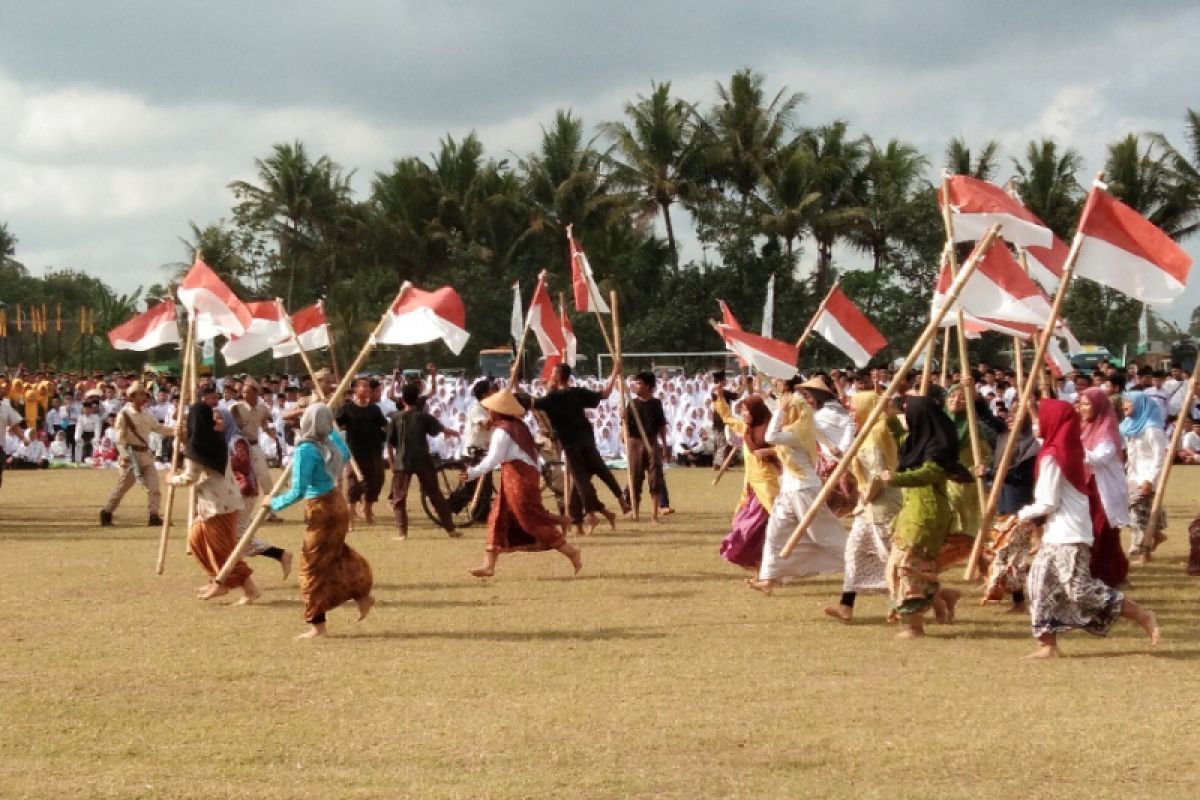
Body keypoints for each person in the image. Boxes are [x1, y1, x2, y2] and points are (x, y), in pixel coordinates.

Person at [1017, 399, 1160, 658]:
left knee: (1079, 590)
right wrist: (1031, 410)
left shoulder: (1054, 456)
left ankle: (1140, 614)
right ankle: (1047, 644)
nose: (1038, 424)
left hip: (1068, 534)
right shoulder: (1064, 448)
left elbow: (1048, 501)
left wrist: (1021, 515)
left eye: (1043, 419)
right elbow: (1042, 435)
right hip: (1058, 532)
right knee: (1039, 584)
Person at [268, 403, 374, 639]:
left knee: (311, 568)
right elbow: (345, 452)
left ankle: (317, 624)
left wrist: (272, 504)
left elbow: (298, 490)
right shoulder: (332, 441)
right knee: (337, 554)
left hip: (323, 510)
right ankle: (362, 594)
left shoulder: (306, 449)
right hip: (338, 504)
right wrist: (332, 427)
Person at [462, 389, 582, 577]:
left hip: (518, 479)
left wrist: (471, 473)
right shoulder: (517, 425)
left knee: (530, 520)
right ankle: (489, 564)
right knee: (497, 517)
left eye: (490, 410)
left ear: (497, 412)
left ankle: (571, 551)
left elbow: (493, 459)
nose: (488, 414)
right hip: (518, 476)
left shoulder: (503, 431)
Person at [878, 396, 970, 639]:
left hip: (926, 517)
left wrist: (895, 479)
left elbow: (929, 472)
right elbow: (901, 439)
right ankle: (942, 598)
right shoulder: (918, 443)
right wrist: (887, 414)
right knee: (905, 567)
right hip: (911, 514)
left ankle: (914, 626)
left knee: (908, 568)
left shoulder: (937, 448)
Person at [748, 391, 846, 595]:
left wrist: (781, 411)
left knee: (823, 535)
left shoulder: (799, 432)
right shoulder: (798, 429)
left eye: (789, 409)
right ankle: (768, 578)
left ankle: (864, 564)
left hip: (805, 489)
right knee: (775, 533)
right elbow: (783, 438)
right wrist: (771, 398)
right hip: (788, 490)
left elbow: (771, 436)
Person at [169, 392, 261, 604]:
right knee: (196, 539)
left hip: (218, 505)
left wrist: (171, 479)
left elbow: (189, 477)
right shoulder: (214, 438)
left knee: (223, 548)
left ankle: (248, 588)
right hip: (223, 501)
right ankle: (217, 579)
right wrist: (182, 437)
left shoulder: (198, 447)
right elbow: (197, 443)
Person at [825, 390, 901, 623]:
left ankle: (934, 598)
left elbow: (878, 476)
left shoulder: (874, 437)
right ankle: (846, 605)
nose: (851, 412)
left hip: (882, 506)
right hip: (866, 507)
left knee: (893, 559)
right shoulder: (867, 433)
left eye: (854, 407)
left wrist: (867, 497)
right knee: (854, 552)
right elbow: (864, 471)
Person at [533, 362, 628, 535]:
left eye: (553, 373)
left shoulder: (552, 398)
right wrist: (614, 372)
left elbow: (531, 403)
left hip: (571, 445)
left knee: (581, 481)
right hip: (587, 440)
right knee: (601, 470)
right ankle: (620, 498)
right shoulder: (577, 392)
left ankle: (590, 515)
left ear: (557, 376)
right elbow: (605, 394)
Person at [978, 414, 1039, 611]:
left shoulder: (1031, 445)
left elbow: (1017, 474)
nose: (1011, 418)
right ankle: (1019, 598)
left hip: (1020, 506)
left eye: (1017, 415)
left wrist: (988, 472)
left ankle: (1021, 599)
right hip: (1003, 503)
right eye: (1009, 415)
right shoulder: (1004, 436)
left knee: (1010, 554)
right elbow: (985, 417)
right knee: (1005, 553)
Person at [712, 392, 779, 572]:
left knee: (761, 530)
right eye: (743, 411)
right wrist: (719, 399)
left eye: (747, 411)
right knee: (743, 526)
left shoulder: (771, 432)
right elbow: (727, 417)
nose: (744, 414)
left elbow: (786, 451)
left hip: (768, 488)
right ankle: (760, 566)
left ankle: (769, 569)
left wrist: (770, 452)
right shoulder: (744, 429)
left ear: (756, 412)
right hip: (750, 489)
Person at [385, 382, 460, 539]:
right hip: (423, 460)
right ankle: (450, 529)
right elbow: (440, 430)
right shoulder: (424, 417)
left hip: (403, 460)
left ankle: (402, 533)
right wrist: (452, 432)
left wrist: (392, 463)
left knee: (399, 498)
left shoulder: (396, 418)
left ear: (403, 400)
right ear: (417, 398)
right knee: (435, 494)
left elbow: (390, 443)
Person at [99, 383, 176, 527]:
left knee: (154, 487)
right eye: (140, 394)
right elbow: (119, 438)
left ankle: (154, 515)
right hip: (131, 455)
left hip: (145, 454)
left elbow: (158, 428)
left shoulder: (147, 414)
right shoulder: (124, 414)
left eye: (145, 395)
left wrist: (175, 431)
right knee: (123, 487)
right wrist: (123, 455)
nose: (144, 398)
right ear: (132, 397)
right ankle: (106, 512)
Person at [229, 436, 293, 579]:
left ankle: (279, 554)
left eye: (220, 417)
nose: (217, 421)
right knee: (233, 536)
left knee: (240, 537)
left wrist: (224, 461)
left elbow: (243, 464)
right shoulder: (222, 438)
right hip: (231, 495)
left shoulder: (236, 441)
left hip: (243, 494)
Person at [1121, 391, 1168, 563]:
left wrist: (1150, 479)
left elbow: (1160, 457)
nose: (1124, 405)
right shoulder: (1129, 425)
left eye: (1129, 402)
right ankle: (1156, 536)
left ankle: (1140, 550)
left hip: (1147, 477)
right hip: (1132, 476)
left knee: (1138, 513)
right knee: (1138, 512)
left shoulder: (1152, 429)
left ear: (1140, 404)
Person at [336, 378, 389, 525]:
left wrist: (394, 435)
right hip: (355, 453)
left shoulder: (374, 409)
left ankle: (367, 510)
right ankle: (351, 518)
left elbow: (385, 426)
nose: (367, 389)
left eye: (368, 387)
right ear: (355, 390)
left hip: (374, 451)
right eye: (363, 386)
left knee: (374, 483)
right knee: (354, 486)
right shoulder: (347, 409)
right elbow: (335, 424)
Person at [230, 378, 282, 522]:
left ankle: (271, 512)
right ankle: (240, 513)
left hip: (255, 446)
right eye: (243, 392)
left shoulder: (263, 409)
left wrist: (273, 436)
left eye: (247, 392)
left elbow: (264, 426)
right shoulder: (236, 409)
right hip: (240, 448)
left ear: (256, 393)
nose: (244, 394)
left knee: (265, 478)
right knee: (242, 480)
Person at [625, 372, 669, 523]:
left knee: (655, 477)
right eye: (636, 383)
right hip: (634, 442)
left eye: (640, 383)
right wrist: (622, 418)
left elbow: (662, 425)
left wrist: (664, 445)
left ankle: (654, 515)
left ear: (648, 386)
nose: (636, 386)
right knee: (635, 477)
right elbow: (625, 428)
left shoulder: (656, 404)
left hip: (651, 442)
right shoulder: (632, 404)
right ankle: (635, 511)